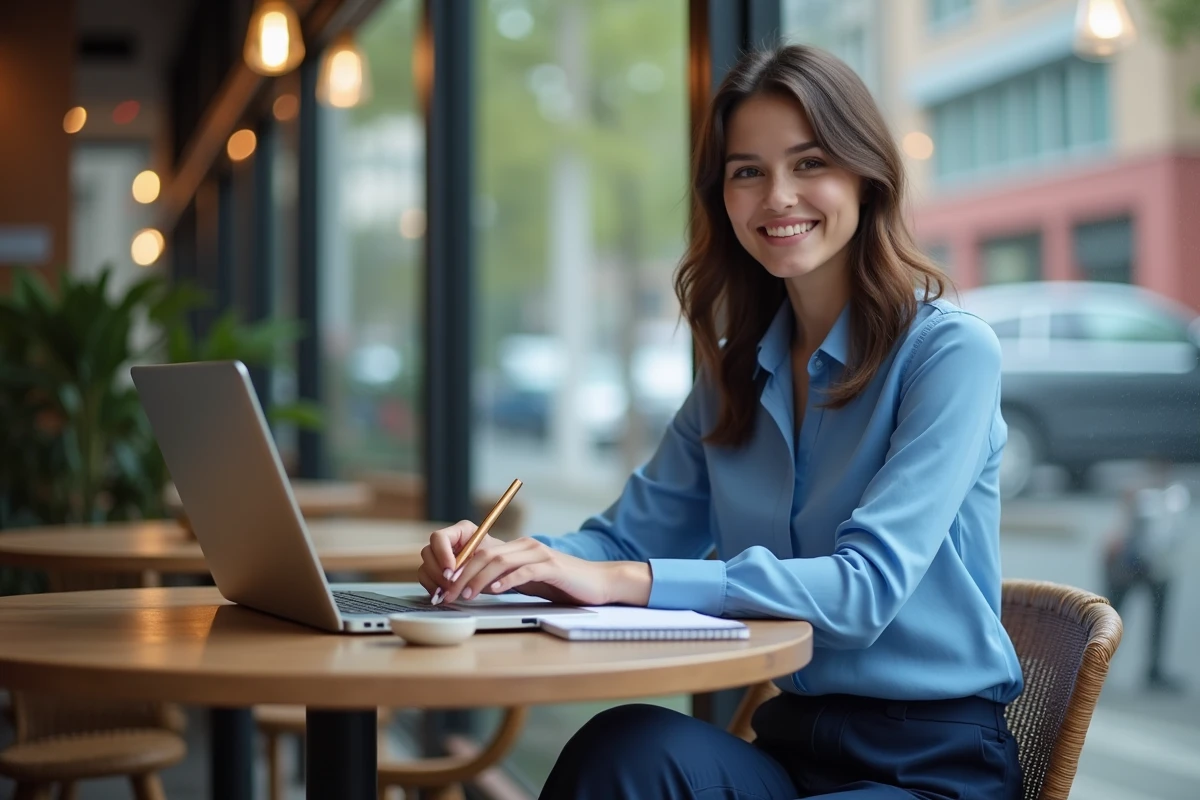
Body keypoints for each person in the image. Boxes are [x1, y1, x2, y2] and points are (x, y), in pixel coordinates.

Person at [418, 44, 1024, 800]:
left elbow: (863, 591)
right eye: (748, 172)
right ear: (722, 198)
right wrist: (512, 561)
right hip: (793, 746)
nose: (777, 197)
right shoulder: (735, 373)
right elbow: (624, 540)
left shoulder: (949, 355)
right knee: (623, 747)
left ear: (866, 177)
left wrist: (619, 580)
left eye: (809, 164)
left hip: (931, 765)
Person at [1103, 460, 1190, 693]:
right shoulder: (1137, 495)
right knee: (1110, 618)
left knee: (1155, 616)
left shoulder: (1172, 497)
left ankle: (1154, 668)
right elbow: (1118, 534)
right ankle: (1094, 664)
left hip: (1156, 565)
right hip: (1129, 564)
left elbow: (1172, 536)